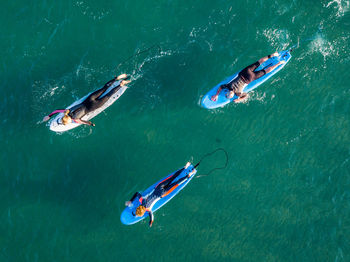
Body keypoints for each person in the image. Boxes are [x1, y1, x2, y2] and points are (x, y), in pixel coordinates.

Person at [43, 74, 131, 126]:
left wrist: (91, 124)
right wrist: (49, 116)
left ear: (69, 121)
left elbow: (85, 122)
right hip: (90, 99)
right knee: (104, 88)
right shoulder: (66, 111)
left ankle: (121, 84)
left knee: (109, 95)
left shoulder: (75, 120)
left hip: (94, 105)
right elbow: (56, 111)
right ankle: (116, 78)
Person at [125, 162, 196, 227]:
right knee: (172, 178)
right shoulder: (141, 200)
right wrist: (130, 201)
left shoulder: (148, 209)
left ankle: (188, 175)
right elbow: (137, 193)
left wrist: (151, 222)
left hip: (162, 193)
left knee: (176, 183)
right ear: (139, 207)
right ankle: (185, 167)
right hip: (158, 188)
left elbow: (151, 216)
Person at [211, 52, 286, 103]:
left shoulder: (238, 93)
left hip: (250, 78)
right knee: (259, 62)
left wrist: (239, 100)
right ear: (228, 92)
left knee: (266, 71)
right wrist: (216, 95)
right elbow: (221, 87)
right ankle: (272, 55)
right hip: (245, 72)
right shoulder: (228, 86)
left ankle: (279, 63)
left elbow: (246, 95)